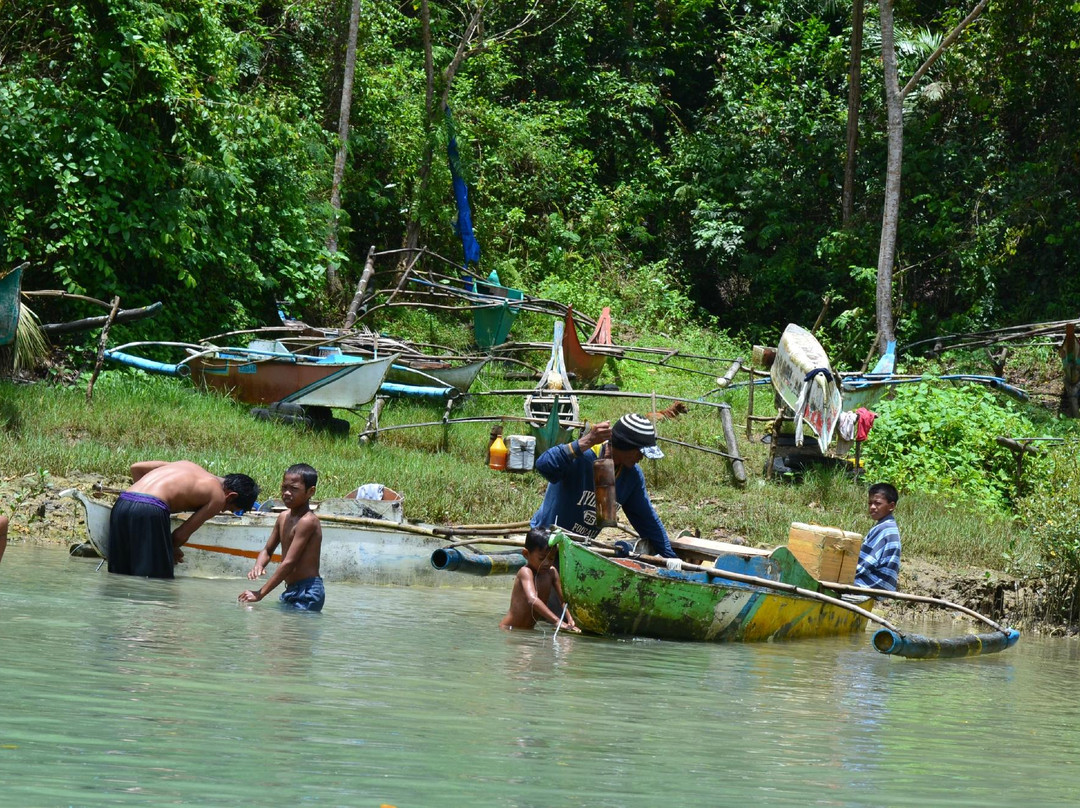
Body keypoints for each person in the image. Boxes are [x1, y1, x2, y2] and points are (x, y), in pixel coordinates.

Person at [530, 413, 677, 558]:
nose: (641, 457)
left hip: (579, 549)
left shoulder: (632, 476)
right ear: (626, 445)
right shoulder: (583, 456)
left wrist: (671, 559)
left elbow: (647, 520)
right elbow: (544, 466)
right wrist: (587, 441)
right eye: (639, 452)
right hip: (545, 544)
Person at [109, 461, 259, 579]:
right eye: (228, 508)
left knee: (120, 574)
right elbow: (179, 535)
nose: (222, 510)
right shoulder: (218, 497)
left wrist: (141, 501)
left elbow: (137, 467)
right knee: (156, 581)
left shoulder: (187, 465)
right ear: (231, 496)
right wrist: (171, 550)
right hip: (151, 509)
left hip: (122, 503)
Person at [239, 464, 324, 611]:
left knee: (296, 632)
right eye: (284, 487)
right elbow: (267, 550)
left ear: (311, 491)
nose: (287, 493)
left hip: (308, 591)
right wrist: (259, 565)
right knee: (286, 631)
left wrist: (260, 594)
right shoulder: (283, 518)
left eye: (294, 489)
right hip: (291, 589)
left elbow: (289, 563)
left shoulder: (308, 521)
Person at [500, 526, 578, 632]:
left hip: (529, 631)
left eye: (551, 558)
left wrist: (570, 619)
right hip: (510, 630)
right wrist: (557, 621)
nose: (546, 563)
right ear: (526, 554)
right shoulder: (526, 572)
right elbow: (533, 599)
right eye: (541, 558)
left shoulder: (552, 573)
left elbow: (563, 600)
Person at [854, 482, 902, 591]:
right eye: (870, 503)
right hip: (883, 583)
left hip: (876, 582)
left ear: (891, 506)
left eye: (878, 503)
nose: (872, 507)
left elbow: (866, 562)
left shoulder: (883, 528)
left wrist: (845, 576)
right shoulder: (889, 526)